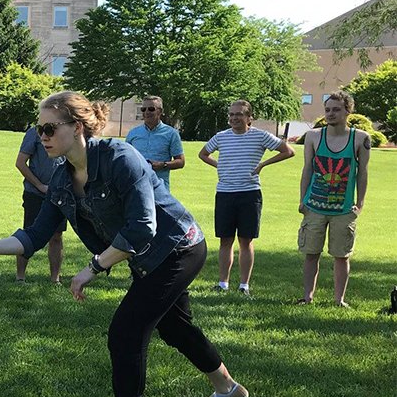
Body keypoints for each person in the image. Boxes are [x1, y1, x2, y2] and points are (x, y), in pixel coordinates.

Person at [0, 91, 248, 397]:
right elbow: (35, 235)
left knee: (126, 330)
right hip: (144, 255)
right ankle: (228, 389)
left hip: (179, 246)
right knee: (174, 326)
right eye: (38, 129)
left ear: (76, 127)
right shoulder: (61, 179)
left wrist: (92, 267)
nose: (40, 136)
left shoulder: (120, 157)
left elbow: (142, 226)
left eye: (48, 128)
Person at [198, 100, 294, 295]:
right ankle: (223, 283)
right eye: (231, 114)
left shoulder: (260, 136)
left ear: (249, 117)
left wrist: (262, 165)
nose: (234, 118)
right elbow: (203, 154)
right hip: (225, 193)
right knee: (225, 240)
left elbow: (288, 151)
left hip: (250, 194)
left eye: (239, 114)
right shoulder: (221, 137)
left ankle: (244, 285)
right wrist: (221, 166)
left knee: (246, 240)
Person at [297, 91, 370, 307]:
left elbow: (363, 173)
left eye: (336, 109)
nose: (330, 114)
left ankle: (339, 300)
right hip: (314, 206)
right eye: (327, 109)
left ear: (348, 111)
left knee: (342, 256)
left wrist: (360, 203)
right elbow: (307, 168)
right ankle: (308, 297)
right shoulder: (313, 136)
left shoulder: (361, 138)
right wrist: (302, 199)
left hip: (344, 208)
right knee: (311, 253)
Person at [14, 125, 66, 283]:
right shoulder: (35, 132)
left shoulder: (66, 133)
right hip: (35, 193)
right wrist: (39, 185)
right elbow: (20, 163)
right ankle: (20, 277)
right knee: (28, 234)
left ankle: (55, 279)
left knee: (57, 236)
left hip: (59, 194)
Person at [125, 96, 185, 189]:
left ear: (161, 111)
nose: (146, 112)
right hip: (136, 187)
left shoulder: (171, 134)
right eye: (143, 109)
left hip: (159, 188)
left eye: (151, 109)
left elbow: (181, 162)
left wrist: (163, 165)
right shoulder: (133, 133)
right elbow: (125, 158)